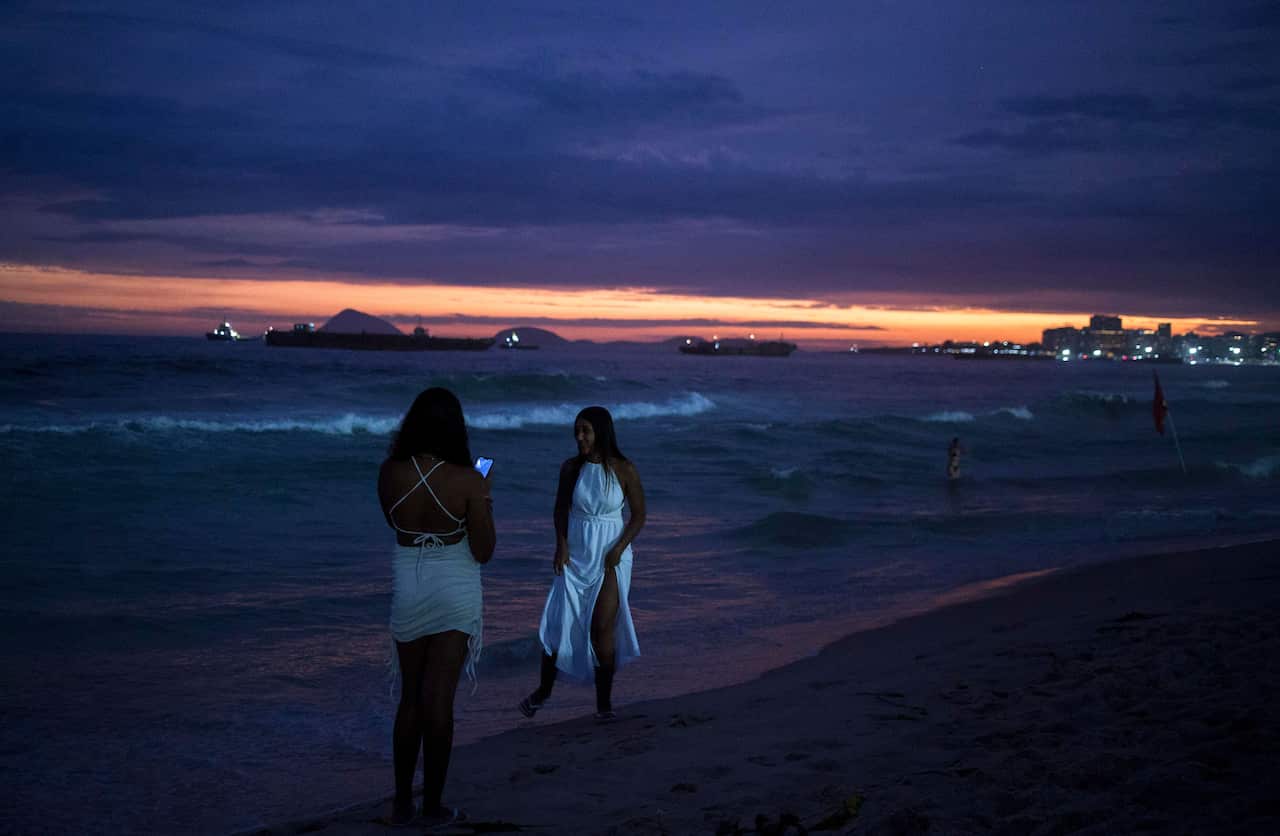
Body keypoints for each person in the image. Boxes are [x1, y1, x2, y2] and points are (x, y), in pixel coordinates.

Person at [376, 388, 495, 828]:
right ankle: (434, 807)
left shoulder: (389, 472)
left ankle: (402, 803)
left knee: (410, 697)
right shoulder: (468, 479)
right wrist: (484, 499)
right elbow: (484, 550)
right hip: (454, 585)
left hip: (410, 581)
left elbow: (395, 524)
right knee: (438, 699)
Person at [520, 406, 646, 721]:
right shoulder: (570, 468)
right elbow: (559, 510)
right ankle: (543, 692)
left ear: (601, 432)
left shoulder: (624, 468)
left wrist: (619, 548)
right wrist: (560, 546)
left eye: (586, 431)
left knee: (601, 626)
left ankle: (604, 704)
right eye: (576, 430)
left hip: (611, 556)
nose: (579, 437)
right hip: (576, 554)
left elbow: (639, 514)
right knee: (557, 623)